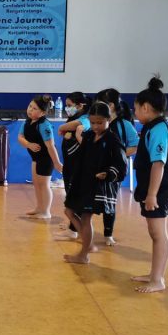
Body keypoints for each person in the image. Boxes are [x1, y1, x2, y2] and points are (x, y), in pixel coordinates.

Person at [62, 103, 128, 265]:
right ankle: (88, 242)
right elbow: (81, 157)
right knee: (69, 211)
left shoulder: (112, 139)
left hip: (97, 185)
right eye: (92, 122)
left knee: (85, 217)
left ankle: (83, 254)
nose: (96, 126)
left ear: (108, 120)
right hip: (83, 182)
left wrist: (108, 173)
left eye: (100, 122)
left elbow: (121, 164)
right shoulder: (89, 136)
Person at [132, 77, 168, 293]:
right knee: (154, 233)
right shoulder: (151, 127)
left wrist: (152, 194)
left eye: (136, 109)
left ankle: (158, 280)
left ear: (145, 107)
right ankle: (154, 274)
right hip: (151, 187)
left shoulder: (159, 129)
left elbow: (158, 164)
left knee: (158, 234)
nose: (135, 113)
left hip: (159, 189)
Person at [95, 88, 139, 246]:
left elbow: (134, 146)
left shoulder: (123, 125)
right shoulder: (98, 124)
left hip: (113, 171)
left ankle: (108, 234)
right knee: (86, 199)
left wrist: (117, 158)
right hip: (96, 168)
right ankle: (76, 228)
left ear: (111, 106)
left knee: (109, 201)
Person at [17, 95, 63, 219]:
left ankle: (46, 212)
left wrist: (57, 163)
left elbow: (50, 146)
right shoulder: (27, 122)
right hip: (35, 158)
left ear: (42, 113)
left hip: (46, 159)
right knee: (37, 184)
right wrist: (29, 144)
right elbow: (20, 137)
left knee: (44, 185)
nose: (30, 110)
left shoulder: (44, 125)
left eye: (34, 108)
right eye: (30, 106)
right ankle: (39, 208)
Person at [54, 92, 91, 240]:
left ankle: (75, 231)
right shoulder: (73, 118)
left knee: (76, 198)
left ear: (80, 106)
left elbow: (81, 124)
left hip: (78, 166)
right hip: (70, 165)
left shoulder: (86, 118)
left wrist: (63, 126)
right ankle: (73, 225)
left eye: (69, 105)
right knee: (70, 196)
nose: (67, 108)